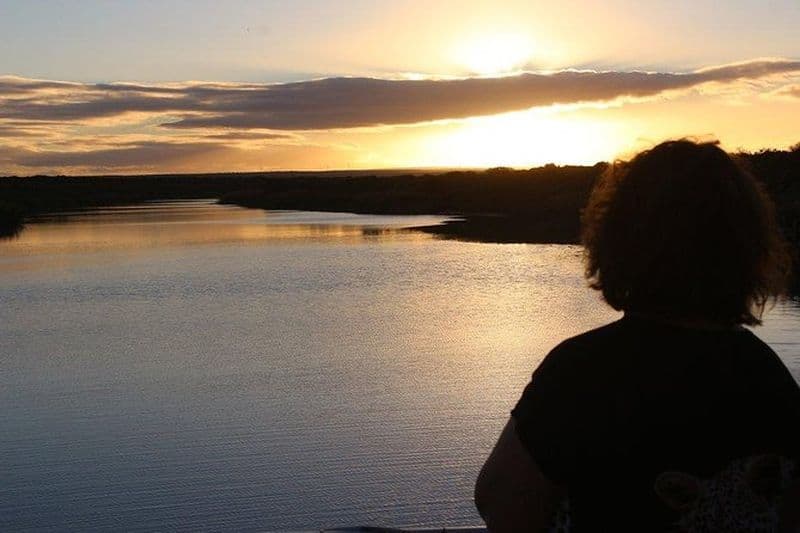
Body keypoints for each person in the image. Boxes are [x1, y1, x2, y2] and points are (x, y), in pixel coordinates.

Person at [474, 140, 800, 532]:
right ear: (747, 248)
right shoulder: (769, 378)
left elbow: (500, 503)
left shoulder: (581, 372)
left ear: (619, 240)